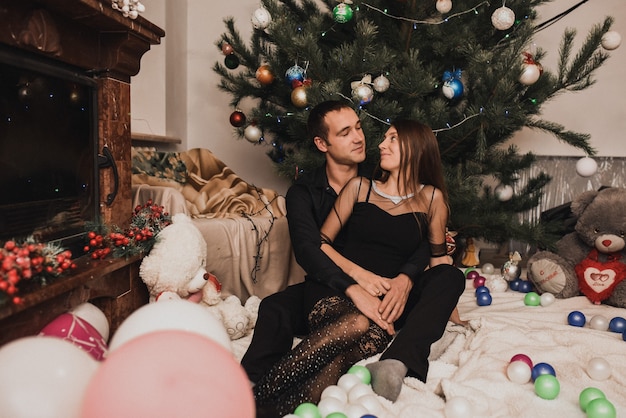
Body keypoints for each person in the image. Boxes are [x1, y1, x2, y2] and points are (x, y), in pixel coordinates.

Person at [242, 101, 431, 416]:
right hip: (328, 282)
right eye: (345, 133)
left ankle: (267, 403)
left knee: (359, 327)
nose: (359, 137)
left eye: (358, 127)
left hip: (380, 284)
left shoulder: (383, 177)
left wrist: (405, 277)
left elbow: (425, 231)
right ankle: (248, 385)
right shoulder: (304, 192)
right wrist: (354, 287)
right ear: (322, 143)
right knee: (274, 307)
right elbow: (307, 249)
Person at [318, 119, 466, 402]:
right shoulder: (359, 187)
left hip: (400, 302)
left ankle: (395, 362)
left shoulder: (432, 197)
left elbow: (437, 258)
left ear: (415, 147)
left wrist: (446, 302)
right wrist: (357, 278)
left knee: (453, 276)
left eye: (392, 139)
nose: (381, 145)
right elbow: (321, 244)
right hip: (358, 295)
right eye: (384, 138)